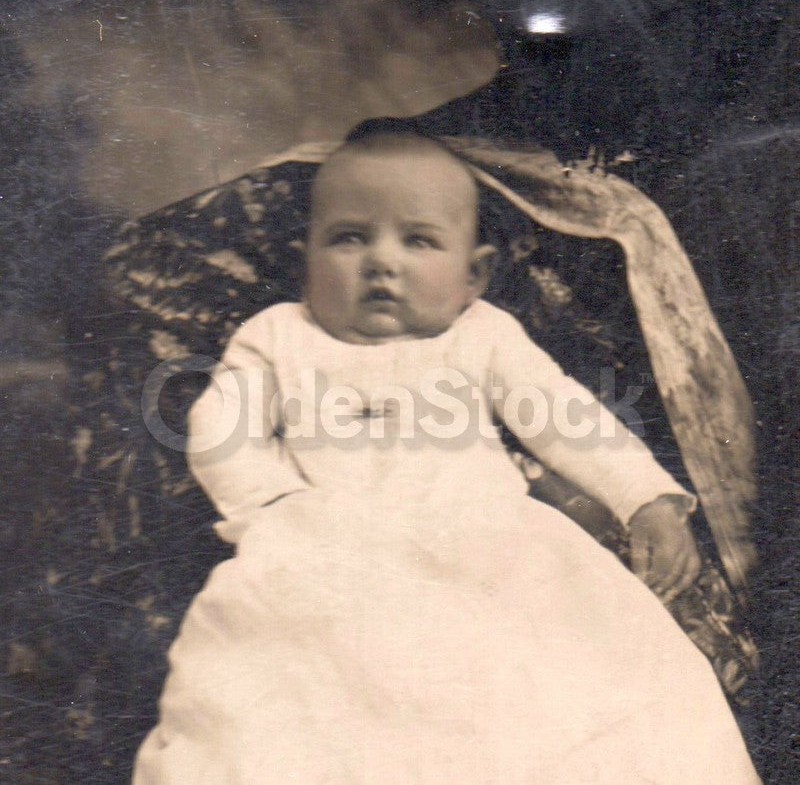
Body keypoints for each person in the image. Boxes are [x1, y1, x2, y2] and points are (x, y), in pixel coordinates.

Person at [133, 122, 759, 783]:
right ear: (305, 259)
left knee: (582, 681)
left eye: (419, 240)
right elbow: (221, 424)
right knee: (285, 696)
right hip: (328, 554)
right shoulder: (278, 337)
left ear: (473, 275)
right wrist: (274, 505)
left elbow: (565, 416)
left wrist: (645, 499)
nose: (382, 261)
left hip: (486, 546)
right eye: (348, 238)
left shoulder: (481, 336)